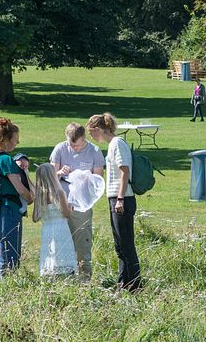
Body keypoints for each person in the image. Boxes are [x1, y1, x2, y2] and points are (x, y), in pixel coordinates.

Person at [86, 113, 142, 292]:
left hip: (122, 199)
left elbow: (124, 172)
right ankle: (124, 284)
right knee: (120, 245)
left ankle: (133, 286)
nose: (91, 137)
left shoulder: (117, 144)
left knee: (125, 244)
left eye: (91, 132)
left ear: (98, 129)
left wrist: (119, 199)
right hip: (116, 198)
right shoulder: (112, 145)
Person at [49, 122, 105, 281]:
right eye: (72, 145)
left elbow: (99, 181)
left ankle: (84, 279)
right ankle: (61, 279)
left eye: (79, 145)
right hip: (61, 202)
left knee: (82, 244)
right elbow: (51, 177)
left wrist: (83, 177)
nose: (75, 149)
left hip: (82, 205)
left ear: (84, 138)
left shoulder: (94, 151)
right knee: (60, 241)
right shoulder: (60, 149)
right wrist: (59, 172)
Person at [0, 117, 34, 276]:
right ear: (6, 140)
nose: (17, 144)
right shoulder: (5, 159)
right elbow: (19, 188)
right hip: (8, 208)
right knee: (9, 251)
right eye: (15, 140)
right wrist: (31, 198)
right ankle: (9, 285)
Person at [33, 163, 77, 277]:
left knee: (50, 254)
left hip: (47, 229)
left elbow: (35, 217)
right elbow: (66, 214)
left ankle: (50, 277)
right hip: (61, 229)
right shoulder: (59, 192)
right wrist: (71, 207)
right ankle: (65, 277)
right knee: (62, 255)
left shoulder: (39, 195)